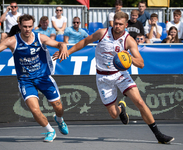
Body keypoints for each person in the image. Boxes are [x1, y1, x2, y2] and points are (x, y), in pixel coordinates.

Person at [53, 11, 174, 144]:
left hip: (120, 74)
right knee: (114, 114)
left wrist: (128, 57)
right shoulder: (102, 33)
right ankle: (122, 108)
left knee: (139, 102)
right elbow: (85, 41)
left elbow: (141, 63)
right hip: (103, 78)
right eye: (115, 23)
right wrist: (67, 52)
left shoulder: (129, 40)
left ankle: (158, 135)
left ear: (126, 25)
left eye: (120, 24)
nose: (117, 26)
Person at [0, 14, 69, 142]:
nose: (27, 29)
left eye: (30, 26)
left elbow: (59, 43)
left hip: (43, 77)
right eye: (24, 26)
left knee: (58, 107)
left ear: (33, 26)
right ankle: (50, 131)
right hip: (26, 80)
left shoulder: (40, 38)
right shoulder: (12, 40)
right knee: (35, 110)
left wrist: (63, 47)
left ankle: (59, 120)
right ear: (19, 26)